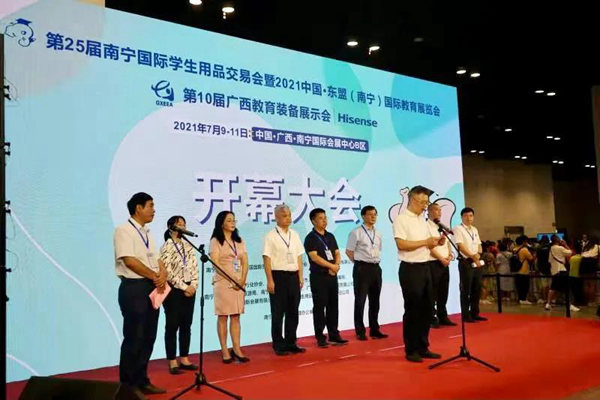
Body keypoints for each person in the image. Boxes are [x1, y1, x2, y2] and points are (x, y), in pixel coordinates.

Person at [114, 192, 167, 398]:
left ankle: (142, 380)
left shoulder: (147, 232)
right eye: (150, 206)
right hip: (134, 288)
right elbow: (129, 260)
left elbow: (158, 259)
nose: (154, 210)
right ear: (138, 207)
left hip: (152, 287)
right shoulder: (124, 230)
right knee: (134, 336)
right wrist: (154, 276)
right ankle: (128, 385)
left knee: (148, 336)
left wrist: (162, 274)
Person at [393, 185, 444, 363]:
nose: (425, 206)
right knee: (413, 310)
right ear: (413, 200)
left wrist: (436, 242)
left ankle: (423, 347)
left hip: (425, 267)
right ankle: (411, 349)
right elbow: (401, 244)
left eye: (426, 202)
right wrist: (425, 242)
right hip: (410, 269)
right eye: (423, 202)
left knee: (427, 309)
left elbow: (427, 244)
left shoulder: (422, 220)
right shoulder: (401, 219)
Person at [263, 204, 306, 356]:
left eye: (289, 215)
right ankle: (278, 344)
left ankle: (291, 342)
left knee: (293, 311)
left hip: (293, 276)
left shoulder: (295, 234)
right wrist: (270, 280)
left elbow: (299, 257)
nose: (288, 218)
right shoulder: (270, 236)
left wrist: (300, 276)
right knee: (278, 312)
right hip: (278, 276)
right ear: (276, 218)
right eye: (284, 216)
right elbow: (267, 259)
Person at [209, 211, 250, 363]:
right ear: (221, 223)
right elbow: (215, 264)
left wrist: (242, 279)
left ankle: (237, 349)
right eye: (229, 220)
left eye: (234, 220)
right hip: (223, 282)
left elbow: (245, 261)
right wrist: (232, 279)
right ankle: (225, 350)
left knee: (236, 316)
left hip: (239, 282)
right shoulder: (215, 241)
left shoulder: (239, 240)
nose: (233, 223)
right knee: (223, 316)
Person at [160, 216, 199, 374]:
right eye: (179, 224)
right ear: (171, 227)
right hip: (174, 290)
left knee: (186, 325)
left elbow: (194, 267)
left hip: (190, 289)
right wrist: (184, 287)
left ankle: (184, 358)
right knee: (172, 325)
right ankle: (172, 360)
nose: (182, 226)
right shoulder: (167, 246)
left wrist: (193, 285)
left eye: (184, 224)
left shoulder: (188, 245)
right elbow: (167, 272)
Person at [304, 208, 348, 348]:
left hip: (332, 276)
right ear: (313, 221)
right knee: (319, 307)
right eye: (320, 218)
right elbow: (314, 257)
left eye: (325, 217)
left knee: (333, 306)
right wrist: (331, 266)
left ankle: (334, 335)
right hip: (319, 277)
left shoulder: (330, 236)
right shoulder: (310, 238)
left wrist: (336, 266)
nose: (324, 220)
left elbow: (337, 253)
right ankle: (320, 337)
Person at [346, 205, 389, 340]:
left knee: (375, 300)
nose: (373, 217)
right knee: (360, 300)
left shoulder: (378, 233)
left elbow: (378, 249)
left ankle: (374, 329)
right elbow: (349, 251)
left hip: (376, 268)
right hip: (362, 269)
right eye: (370, 214)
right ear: (363, 216)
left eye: (375, 214)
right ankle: (360, 331)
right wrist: (359, 264)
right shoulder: (356, 232)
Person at [425, 202, 456, 328]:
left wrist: (449, 255)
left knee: (444, 290)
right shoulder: (425, 226)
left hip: (445, 262)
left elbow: (447, 242)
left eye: (440, 210)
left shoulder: (441, 226)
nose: (439, 212)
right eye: (436, 210)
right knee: (432, 292)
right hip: (433, 262)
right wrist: (441, 259)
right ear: (429, 211)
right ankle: (432, 317)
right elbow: (429, 247)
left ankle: (443, 316)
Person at [454, 207, 487, 322]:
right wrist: (472, 256)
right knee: (466, 289)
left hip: (477, 260)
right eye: (466, 215)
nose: (469, 218)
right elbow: (460, 246)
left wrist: (478, 254)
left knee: (476, 288)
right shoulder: (458, 229)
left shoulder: (474, 229)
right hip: (466, 261)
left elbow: (479, 244)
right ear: (462, 217)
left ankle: (475, 313)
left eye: (471, 216)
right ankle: (465, 315)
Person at [546, 235, 580, 312]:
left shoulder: (551, 249)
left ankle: (548, 303)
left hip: (554, 271)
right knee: (566, 288)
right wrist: (565, 244)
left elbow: (549, 261)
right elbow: (570, 253)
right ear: (557, 240)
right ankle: (569, 305)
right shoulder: (560, 248)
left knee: (553, 287)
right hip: (561, 270)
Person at [513, 235, 535, 305]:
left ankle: (520, 299)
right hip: (524, 270)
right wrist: (534, 255)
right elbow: (531, 258)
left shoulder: (514, 249)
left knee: (519, 286)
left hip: (516, 270)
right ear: (523, 242)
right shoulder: (524, 249)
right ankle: (523, 299)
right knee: (525, 286)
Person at [580, 236, 599, 306]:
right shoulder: (598, 246)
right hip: (591, 264)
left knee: (585, 284)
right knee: (592, 284)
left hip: (583, 264)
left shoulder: (585, 247)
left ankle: (586, 301)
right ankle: (591, 302)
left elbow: (581, 254)